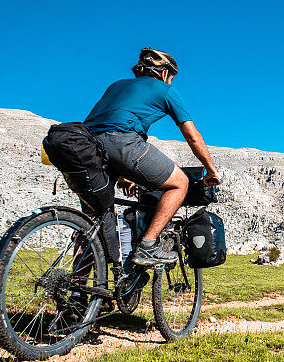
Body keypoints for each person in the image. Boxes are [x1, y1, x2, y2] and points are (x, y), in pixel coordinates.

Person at [84, 47, 220, 266]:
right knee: (180, 183)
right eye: (172, 77)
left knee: (92, 228)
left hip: (84, 148)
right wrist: (211, 170)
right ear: (164, 72)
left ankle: (79, 294)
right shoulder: (165, 90)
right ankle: (148, 246)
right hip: (123, 142)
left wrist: (122, 175)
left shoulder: (116, 86)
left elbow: (104, 131)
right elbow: (193, 137)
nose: (171, 83)